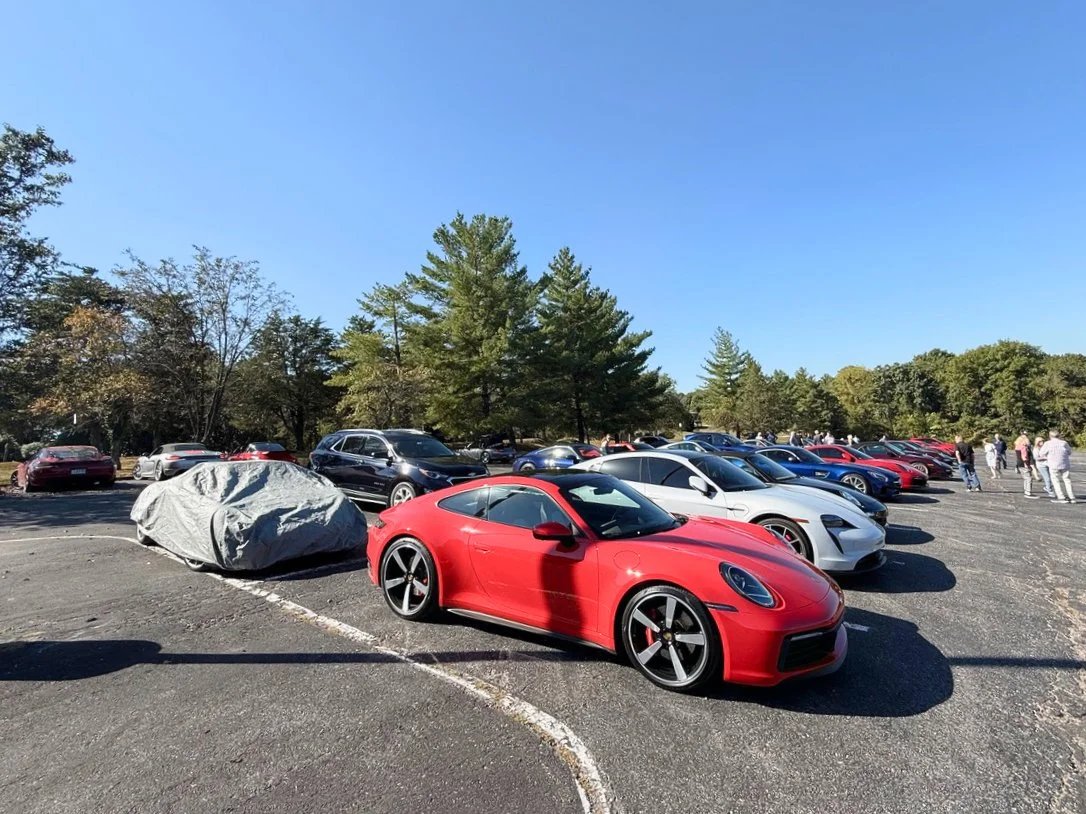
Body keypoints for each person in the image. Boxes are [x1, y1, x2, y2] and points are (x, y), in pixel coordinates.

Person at [1040, 430, 1076, 504]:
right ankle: (1071, 496)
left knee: (1055, 480)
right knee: (1067, 480)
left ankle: (1061, 496)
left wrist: (1047, 455)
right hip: (1064, 464)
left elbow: (1041, 453)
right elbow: (1069, 452)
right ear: (1058, 436)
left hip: (1053, 464)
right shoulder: (1064, 443)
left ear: (1050, 436)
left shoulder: (1048, 443)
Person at [1014, 434, 1038, 498]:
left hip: (1019, 463)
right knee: (1029, 478)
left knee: (1025, 478)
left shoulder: (1017, 447)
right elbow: (1024, 456)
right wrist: (1026, 464)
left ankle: (1026, 491)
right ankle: (1028, 492)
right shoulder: (1023, 447)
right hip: (1024, 464)